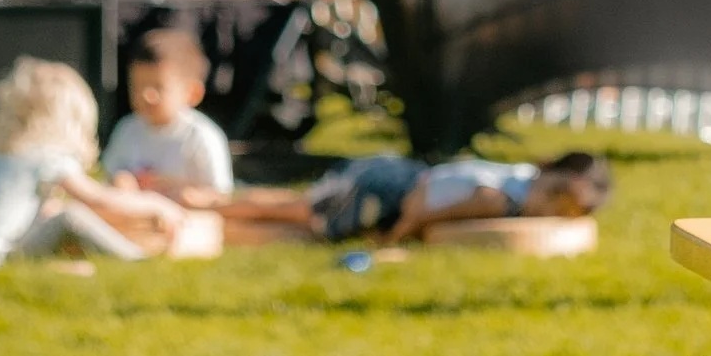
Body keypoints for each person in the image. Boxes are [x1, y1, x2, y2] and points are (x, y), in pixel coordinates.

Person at [0, 57, 203, 266]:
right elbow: (100, 199)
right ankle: (137, 260)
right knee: (71, 217)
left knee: (56, 212)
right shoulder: (47, 156)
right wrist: (158, 206)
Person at [226, 151, 612, 245]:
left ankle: (219, 203)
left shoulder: (519, 178)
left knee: (299, 205)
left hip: (399, 175)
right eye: (555, 199)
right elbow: (425, 207)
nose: (549, 211)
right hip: (389, 188)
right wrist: (398, 237)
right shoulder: (499, 198)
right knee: (297, 214)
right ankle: (214, 206)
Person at [101, 29, 235, 203]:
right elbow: (111, 175)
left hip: (190, 224)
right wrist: (120, 181)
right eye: (138, 86)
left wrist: (192, 197)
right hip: (135, 223)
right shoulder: (127, 129)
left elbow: (221, 195)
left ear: (192, 93)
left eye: (159, 87)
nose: (146, 95)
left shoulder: (201, 137)